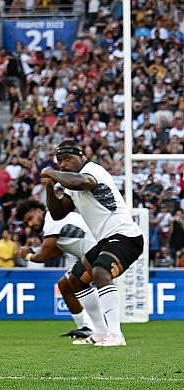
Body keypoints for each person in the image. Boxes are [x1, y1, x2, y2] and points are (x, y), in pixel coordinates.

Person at [42, 140, 144, 347]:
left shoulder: (92, 170)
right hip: (107, 239)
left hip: (126, 235)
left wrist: (52, 173)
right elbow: (58, 213)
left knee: (100, 271)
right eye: (59, 161)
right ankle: (99, 332)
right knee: (77, 278)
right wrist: (50, 189)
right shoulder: (72, 184)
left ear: (82, 157)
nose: (63, 164)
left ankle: (116, 334)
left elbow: (80, 182)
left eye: (67, 159)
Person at [15, 199, 101, 339]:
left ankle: (99, 328)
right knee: (65, 285)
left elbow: (44, 255)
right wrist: (34, 252)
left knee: (78, 282)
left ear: (39, 211)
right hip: (90, 254)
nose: (31, 224)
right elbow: (57, 252)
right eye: (27, 223)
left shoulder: (52, 219)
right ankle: (85, 327)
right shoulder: (52, 222)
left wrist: (28, 256)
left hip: (96, 252)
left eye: (31, 218)